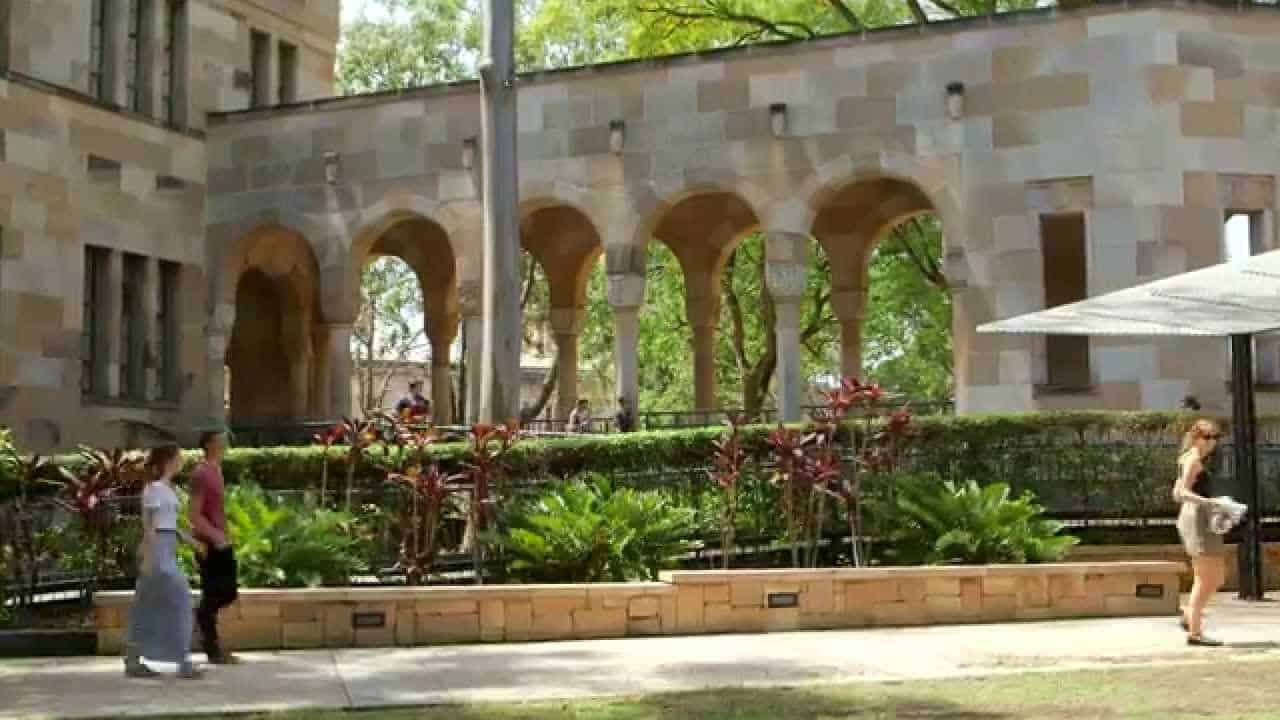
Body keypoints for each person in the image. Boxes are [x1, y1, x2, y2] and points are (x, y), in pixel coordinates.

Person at [124, 444, 201, 679]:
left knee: (146, 605)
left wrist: (191, 540)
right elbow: (151, 526)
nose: (183, 460)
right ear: (169, 460)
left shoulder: (169, 489)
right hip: (157, 551)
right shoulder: (154, 489)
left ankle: (134, 659)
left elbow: (170, 524)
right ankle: (182, 660)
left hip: (167, 549)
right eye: (179, 456)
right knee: (181, 599)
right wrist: (147, 557)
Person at [1174, 419, 1228, 647]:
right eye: (1207, 437)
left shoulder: (1188, 458)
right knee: (1207, 579)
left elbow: (1176, 492)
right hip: (1198, 519)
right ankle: (1195, 632)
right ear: (1196, 437)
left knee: (1214, 577)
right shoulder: (1193, 459)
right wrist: (1211, 502)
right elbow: (1183, 492)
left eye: (1215, 437)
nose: (1212, 442)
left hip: (1196, 517)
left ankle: (1189, 618)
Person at [190, 430, 240, 664]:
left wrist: (228, 534)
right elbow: (194, 514)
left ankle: (212, 643)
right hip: (210, 544)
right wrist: (215, 537)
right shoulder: (201, 473)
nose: (225, 442)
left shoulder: (216, 470)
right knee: (215, 594)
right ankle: (213, 649)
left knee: (227, 591)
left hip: (221, 541)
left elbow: (216, 510)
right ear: (208, 444)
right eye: (220, 439)